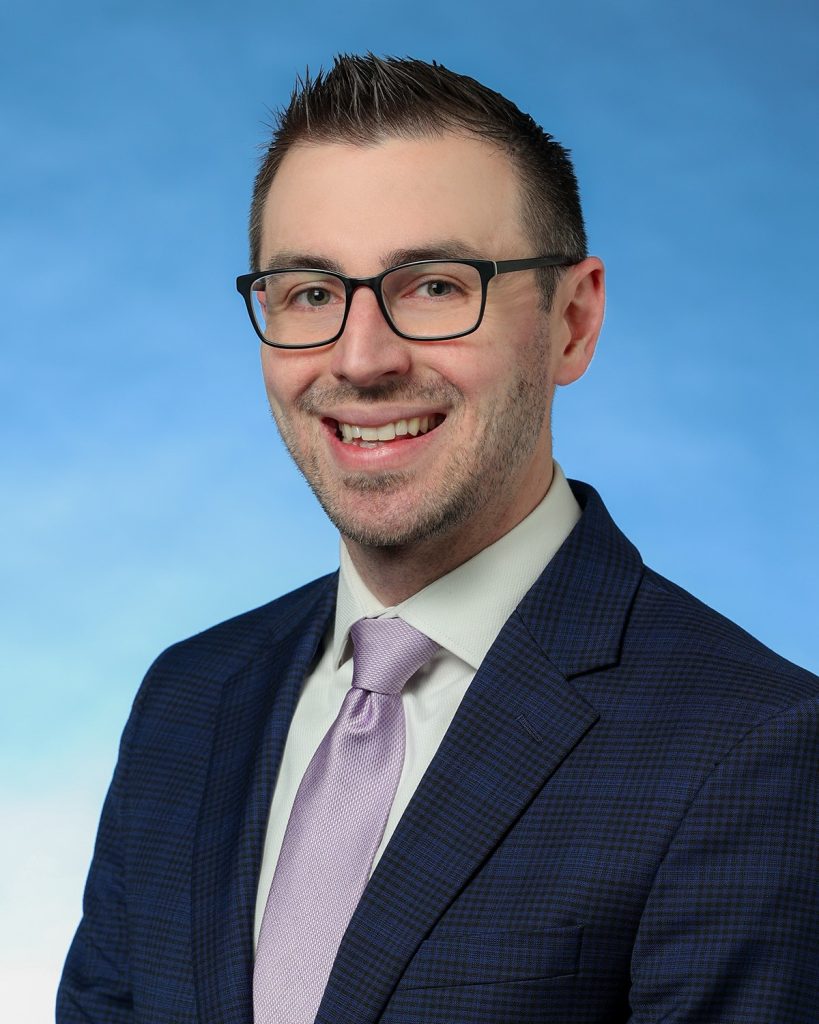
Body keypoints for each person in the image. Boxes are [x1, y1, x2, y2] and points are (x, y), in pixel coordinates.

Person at [57, 54, 819, 1024]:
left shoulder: (752, 749)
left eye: (432, 286)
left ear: (572, 321)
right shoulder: (188, 701)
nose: (360, 359)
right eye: (309, 293)